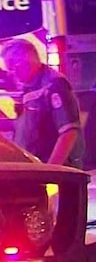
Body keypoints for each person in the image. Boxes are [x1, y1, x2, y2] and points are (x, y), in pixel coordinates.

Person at [0, 38, 84, 168]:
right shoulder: (29, 87)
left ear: (29, 60)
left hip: (54, 173)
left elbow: (69, 132)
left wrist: (50, 171)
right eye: (9, 69)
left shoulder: (54, 85)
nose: (13, 74)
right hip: (33, 170)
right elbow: (27, 126)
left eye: (14, 67)